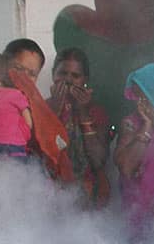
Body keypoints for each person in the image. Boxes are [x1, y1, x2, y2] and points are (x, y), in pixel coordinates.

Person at [114, 63, 154, 239]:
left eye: (144, 97)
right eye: (137, 97)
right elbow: (126, 167)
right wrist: (147, 127)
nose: (139, 104)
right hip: (137, 220)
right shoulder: (130, 124)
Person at [47, 48, 111, 207]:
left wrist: (83, 113)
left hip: (89, 196)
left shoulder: (96, 112)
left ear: (85, 80)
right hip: (49, 194)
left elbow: (98, 160)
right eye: (63, 73)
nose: (68, 80)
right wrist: (53, 110)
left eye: (75, 76)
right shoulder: (42, 107)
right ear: (53, 74)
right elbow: (40, 155)